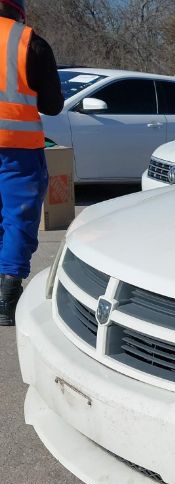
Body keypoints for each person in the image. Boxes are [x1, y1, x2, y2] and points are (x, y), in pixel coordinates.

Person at [0, 0, 62, 326]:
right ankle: (5, 298)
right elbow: (52, 105)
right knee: (18, 220)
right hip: (17, 148)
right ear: (19, 9)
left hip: (16, 148)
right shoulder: (28, 42)